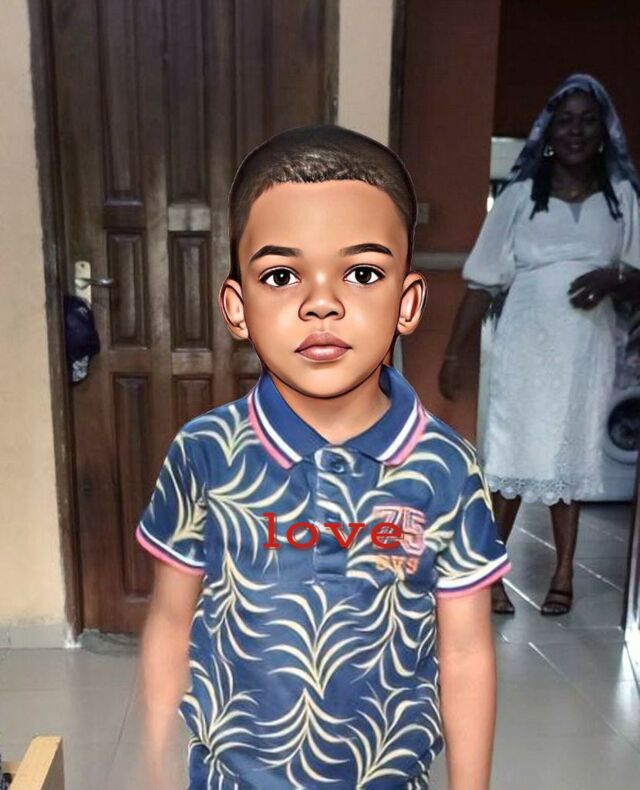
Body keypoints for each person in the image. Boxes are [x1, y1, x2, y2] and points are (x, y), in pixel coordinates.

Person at [137, 125, 511, 789]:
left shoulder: (446, 467)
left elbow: (465, 652)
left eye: (362, 274)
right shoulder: (205, 453)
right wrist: (158, 768)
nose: (321, 304)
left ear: (408, 302)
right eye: (281, 276)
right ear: (237, 308)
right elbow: (171, 622)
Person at [439, 74, 640, 616]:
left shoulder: (622, 199)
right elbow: (482, 279)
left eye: (588, 120)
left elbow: (639, 274)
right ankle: (491, 575)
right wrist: (454, 353)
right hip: (526, 343)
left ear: (603, 131)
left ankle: (564, 573)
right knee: (513, 454)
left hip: (586, 348)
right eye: (565, 120)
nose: (576, 130)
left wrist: (615, 278)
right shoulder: (520, 197)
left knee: (569, 456)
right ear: (549, 131)